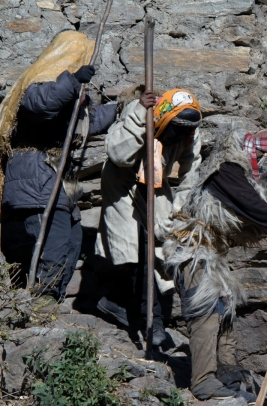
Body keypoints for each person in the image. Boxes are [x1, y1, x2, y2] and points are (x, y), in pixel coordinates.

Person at [161, 128, 267, 401]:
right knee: (205, 314)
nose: (265, 164)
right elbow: (252, 206)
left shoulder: (237, 176)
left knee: (224, 312)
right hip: (191, 252)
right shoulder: (224, 171)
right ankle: (203, 380)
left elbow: (256, 207)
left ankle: (226, 374)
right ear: (251, 151)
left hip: (210, 254)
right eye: (263, 157)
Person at [0, 30, 117, 313]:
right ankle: (39, 307)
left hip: (54, 183)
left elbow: (87, 123)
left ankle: (48, 304)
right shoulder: (36, 85)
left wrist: (124, 106)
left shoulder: (67, 95)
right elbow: (42, 106)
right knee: (53, 246)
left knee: (71, 242)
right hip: (36, 180)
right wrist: (73, 80)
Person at [94, 87, 202, 346]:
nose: (180, 136)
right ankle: (146, 319)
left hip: (155, 184)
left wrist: (178, 212)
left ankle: (137, 312)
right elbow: (118, 156)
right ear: (165, 118)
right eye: (176, 128)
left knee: (162, 247)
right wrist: (141, 115)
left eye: (185, 131)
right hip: (123, 183)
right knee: (132, 249)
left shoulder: (190, 132)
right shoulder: (142, 112)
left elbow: (191, 174)